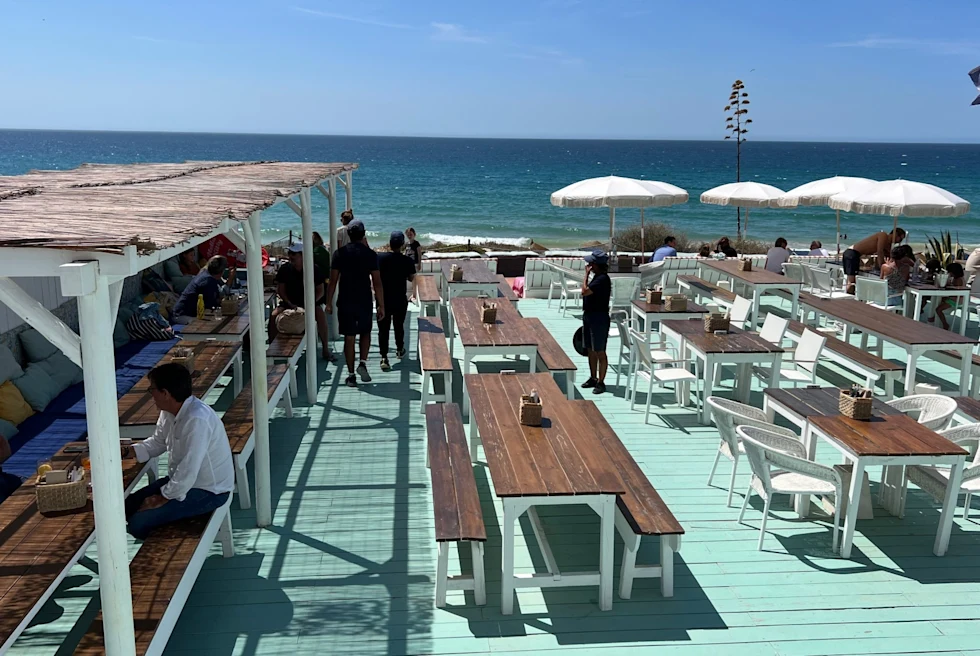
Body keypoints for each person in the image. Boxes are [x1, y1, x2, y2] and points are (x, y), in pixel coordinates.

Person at [122, 363, 234, 540]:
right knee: (126, 506)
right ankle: (167, 523)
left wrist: (163, 497)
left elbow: (189, 469)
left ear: (165, 393)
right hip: (182, 481)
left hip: (209, 490)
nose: (151, 395)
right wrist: (128, 452)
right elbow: (158, 442)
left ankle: (162, 541)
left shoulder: (197, 420)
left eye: (152, 390)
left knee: (138, 523)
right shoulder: (168, 412)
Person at [326, 220, 385, 388]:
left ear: (348, 234)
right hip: (364, 299)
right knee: (365, 332)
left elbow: (333, 281)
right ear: (363, 234)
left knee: (349, 337)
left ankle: (351, 375)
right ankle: (363, 363)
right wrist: (381, 305)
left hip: (345, 300)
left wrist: (328, 302)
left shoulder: (339, 254)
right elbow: (377, 282)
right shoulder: (370, 254)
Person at [269, 242, 332, 360]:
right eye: (289, 253)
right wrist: (289, 303)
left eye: (294, 254)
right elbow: (280, 290)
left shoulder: (314, 269)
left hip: (310, 303)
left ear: (302, 255)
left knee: (320, 315)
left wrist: (309, 303)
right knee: (273, 315)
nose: (290, 256)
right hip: (289, 303)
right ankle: (273, 348)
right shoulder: (285, 269)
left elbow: (320, 291)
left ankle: (325, 349)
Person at [377, 231, 417, 371]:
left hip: (383, 299)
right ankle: (400, 349)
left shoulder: (380, 258)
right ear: (402, 244)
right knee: (399, 325)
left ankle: (384, 357)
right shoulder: (407, 261)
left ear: (389, 244)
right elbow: (412, 278)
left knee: (383, 329)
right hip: (400, 298)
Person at [580, 250, 612, 395]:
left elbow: (585, 291)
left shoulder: (602, 279)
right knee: (590, 349)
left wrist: (586, 275)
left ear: (596, 265)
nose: (589, 265)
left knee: (600, 351)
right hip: (589, 316)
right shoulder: (598, 277)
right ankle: (593, 377)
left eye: (591, 263)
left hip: (599, 318)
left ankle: (601, 381)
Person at [842, 227, 905, 294]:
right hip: (852, 254)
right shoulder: (883, 235)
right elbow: (880, 251)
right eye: (900, 238)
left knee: (852, 280)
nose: (900, 241)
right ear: (895, 234)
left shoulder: (887, 245)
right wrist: (882, 267)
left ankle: (850, 297)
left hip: (855, 255)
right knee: (852, 282)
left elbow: (889, 257)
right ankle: (849, 299)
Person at [172, 256, 229, 323]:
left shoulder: (206, 274)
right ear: (221, 272)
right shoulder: (208, 281)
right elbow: (212, 304)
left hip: (188, 314)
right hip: (181, 316)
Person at [934, 262, 966, 330]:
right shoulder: (956, 278)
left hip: (956, 300)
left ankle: (945, 324)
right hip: (954, 298)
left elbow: (957, 292)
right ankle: (934, 318)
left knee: (938, 309)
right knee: (938, 301)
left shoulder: (958, 280)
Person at [405, 227, 423, 301]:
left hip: (414, 264)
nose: (409, 236)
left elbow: (419, 254)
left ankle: (414, 295)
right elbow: (405, 253)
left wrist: (419, 264)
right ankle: (411, 294)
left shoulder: (416, 244)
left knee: (414, 280)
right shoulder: (407, 244)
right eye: (408, 235)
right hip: (407, 264)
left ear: (414, 234)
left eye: (411, 234)